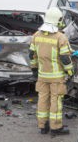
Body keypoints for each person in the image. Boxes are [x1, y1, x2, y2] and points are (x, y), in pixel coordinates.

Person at [29, 7, 73, 135]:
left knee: (42, 99)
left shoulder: (36, 35)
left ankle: (43, 126)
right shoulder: (60, 37)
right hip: (56, 77)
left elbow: (31, 55)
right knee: (56, 101)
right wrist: (70, 71)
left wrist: (34, 70)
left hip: (42, 75)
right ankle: (56, 127)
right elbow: (65, 58)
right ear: (57, 20)